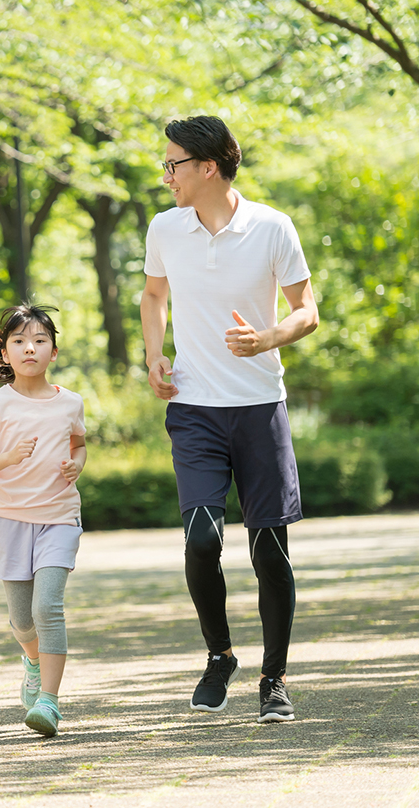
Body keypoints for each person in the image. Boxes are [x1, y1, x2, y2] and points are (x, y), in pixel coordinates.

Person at [140, 115, 319, 723]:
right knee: (200, 540)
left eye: (173, 165)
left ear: (207, 167)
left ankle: (274, 679)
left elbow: (307, 311)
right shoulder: (165, 228)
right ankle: (220, 656)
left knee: (269, 549)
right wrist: (152, 354)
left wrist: (268, 337)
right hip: (194, 409)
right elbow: (153, 294)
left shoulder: (273, 227)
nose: (165, 176)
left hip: (260, 409)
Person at [0, 305, 87, 738]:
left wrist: (77, 465)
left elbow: (79, 444)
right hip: (9, 521)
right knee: (22, 619)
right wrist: (8, 458)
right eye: (19, 341)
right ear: (6, 352)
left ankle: (49, 702)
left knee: (47, 607)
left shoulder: (71, 402)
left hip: (60, 518)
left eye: (40, 340)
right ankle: (32, 660)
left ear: (53, 351)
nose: (29, 348)